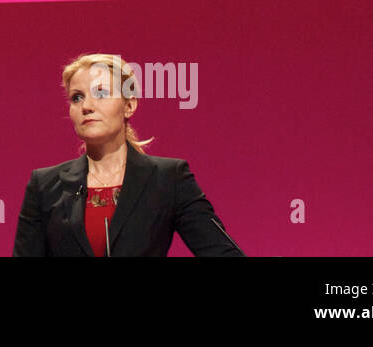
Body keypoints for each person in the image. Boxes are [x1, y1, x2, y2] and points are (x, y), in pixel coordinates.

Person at [13, 53, 244, 256]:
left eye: (100, 93)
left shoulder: (168, 178)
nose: (86, 106)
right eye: (77, 97)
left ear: (129, 105)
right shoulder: (44, 185)